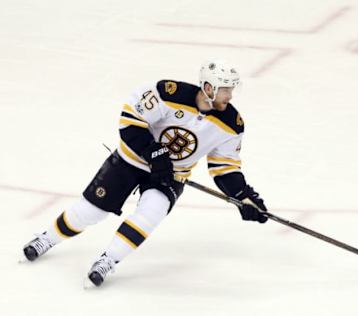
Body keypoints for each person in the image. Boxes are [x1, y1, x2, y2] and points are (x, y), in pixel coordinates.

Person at [22, 59, 268, 287]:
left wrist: (243, 197)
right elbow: (130, 121)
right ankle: (46, 238)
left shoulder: (232, 124)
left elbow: (224, 168)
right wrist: (154, 153)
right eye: (225, 89)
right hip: (132, 160)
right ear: (208, 87)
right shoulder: (167, 93)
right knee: (91, 211)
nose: (230, 95)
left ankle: (108, 260)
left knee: (150, 213)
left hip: (171, 176)